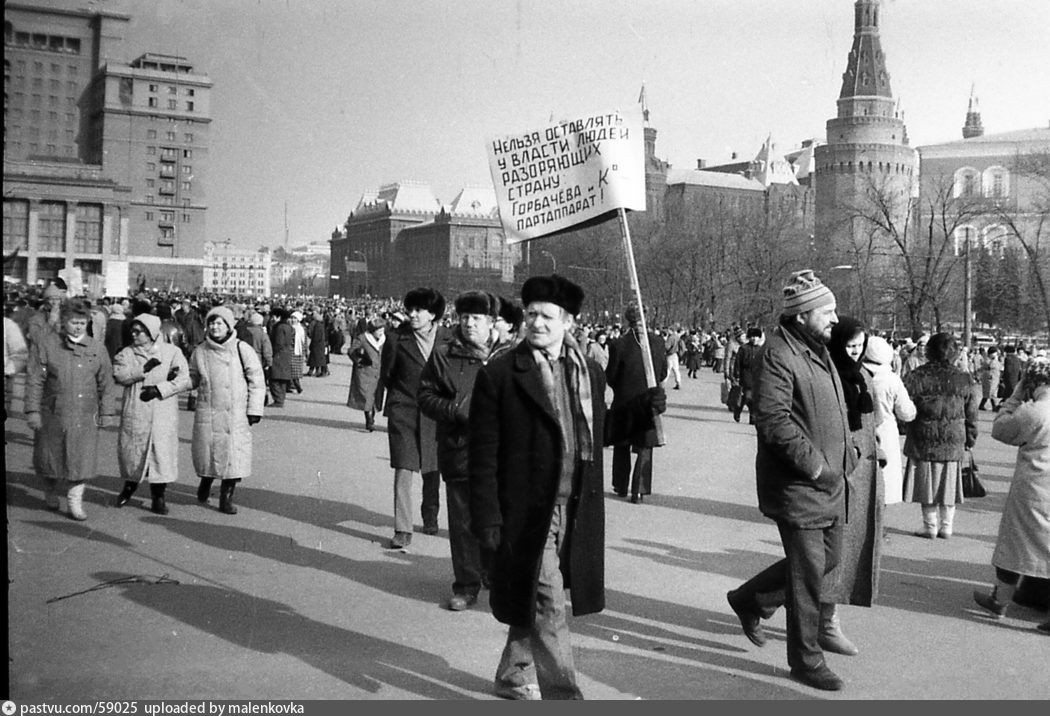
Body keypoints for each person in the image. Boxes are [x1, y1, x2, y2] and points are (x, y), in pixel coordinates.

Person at [468, 274, 666, 699]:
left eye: (547, 316)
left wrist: (639, 411)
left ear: (570, 322)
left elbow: (601, 431)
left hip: (574, 509)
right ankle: (564, 694)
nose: (536, 323)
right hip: (525, 513)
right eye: (531, 314)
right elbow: (482, 454)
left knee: (536, 594)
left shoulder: (588, 371)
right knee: (549, 601)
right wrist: (486, 519)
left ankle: (512, 674)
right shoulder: (501, 374)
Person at [725, 269, 857, 692]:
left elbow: (834, 408)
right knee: (807, 576)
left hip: (831, 482)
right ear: (801, 316)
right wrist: (816, 465)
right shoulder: (779, 354)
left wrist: (847, 452)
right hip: (800, 485)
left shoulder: (818, 349)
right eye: (827, 311)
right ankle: (805, 660)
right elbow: (773, 420)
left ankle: (750, 600)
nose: (835, 319)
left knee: (829, 560)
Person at [418, 291, 510, 612]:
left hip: (502, 455)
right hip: (460, 450)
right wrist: (454, 409)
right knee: (462, 521)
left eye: (477, 318)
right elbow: (425, 396)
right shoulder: (445, 353)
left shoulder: (509, 355)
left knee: (498, 517)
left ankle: (493, 574)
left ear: (491, 323)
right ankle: (466, 585)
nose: (469, 324)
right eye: (465, 317)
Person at [972, 357, 1050, 629]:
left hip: (1033, 489)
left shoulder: (1035, 411)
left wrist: (1015, 396)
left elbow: (1000, 429)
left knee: (1014, 546)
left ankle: (1000, 601)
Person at [823, 317, 885, 654]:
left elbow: (871, 421)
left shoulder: (863, 376)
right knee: (835, 553)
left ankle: (763, 601)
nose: (855, 352)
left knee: (845, 551)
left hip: (865, 473)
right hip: (842, 475)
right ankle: (825, 621)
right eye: (850, 346)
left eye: (860, 347)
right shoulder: (828, 375)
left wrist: (877, 445)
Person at [24, 298, 116, 521]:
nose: (78, 326)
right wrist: (33, 411)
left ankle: (75, 501)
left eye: (82, 323)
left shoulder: (96, 348)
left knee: (81, 459)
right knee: (50, 457)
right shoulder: (47, 345)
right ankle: (50, 492)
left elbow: (107, 383)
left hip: (85, 414)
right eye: (73, 322)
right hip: (53, 412)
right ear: (63, 322)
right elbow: (35, 379)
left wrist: (107, 412)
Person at [379, 287, 451, 549]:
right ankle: (402, 529)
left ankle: (430, 515)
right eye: (410, 309)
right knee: (404, 468)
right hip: (404, 412)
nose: (412, 314)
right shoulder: (397, 338)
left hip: (436, 413)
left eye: (419, 310)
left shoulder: (448, 339)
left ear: (433, 314)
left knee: (432, 468)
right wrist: (399, 397)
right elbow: (387, 373)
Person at [189, 306, 266, 515]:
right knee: (209, 453)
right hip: (209, 410)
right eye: (211, 323)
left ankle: (226, 498)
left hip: (236, 413)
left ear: (229, 325)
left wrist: (255, 409)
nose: (215, 327)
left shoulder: (242, 349)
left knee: (233, 457)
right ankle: (206, 481)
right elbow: (192, 377)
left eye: (219, 323)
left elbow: (257, 381)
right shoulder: (200, 351)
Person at [112, 314, 192, 514]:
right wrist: (142, 369)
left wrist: (160, 390)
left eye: (139, 331)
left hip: (162, 411)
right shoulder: (127, 353)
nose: (134, 334)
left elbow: (184, 379)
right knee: (133, 453)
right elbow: (120, 375)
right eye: (133, 330)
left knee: (161, 455)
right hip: (136, 409)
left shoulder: (171, 351)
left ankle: (159, 497)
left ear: (151, 332)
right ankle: (128, 489)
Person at [901, 333, 978, 539]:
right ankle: (947, 526)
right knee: (949, 484)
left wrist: (904, 427)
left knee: (926, 484)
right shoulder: (964, 378)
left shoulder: (916, 376)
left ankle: (930, 526)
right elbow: (972, 413)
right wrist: (970, 438)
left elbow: (904, 407)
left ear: (929, 351)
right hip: (953, 439)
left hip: (923, 437)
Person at [605, 303, 667, 503]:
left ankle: (621, 485)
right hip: (647, 402)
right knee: (644, 448)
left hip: (624, 402)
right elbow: (663, 372)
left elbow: (611, 376)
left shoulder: (619, 344)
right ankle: (639, 490)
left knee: (622, 446)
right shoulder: (657, 342)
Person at [863, 335, 916, 513]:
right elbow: (906, 412)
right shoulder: (892, 379)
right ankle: (879, 520)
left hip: (861, 429)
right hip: (885, 429)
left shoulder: (858, 374)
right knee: (884, 476)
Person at [346, 316, 386, 431]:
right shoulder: (363, 338)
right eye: (379, 330)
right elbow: (351, 351)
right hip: (364, 372)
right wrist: (360, 359)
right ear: (373, 330)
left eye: (382, 330)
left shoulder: (384, 340)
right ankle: (369, 420)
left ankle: (371, 416)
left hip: (378, 373)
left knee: (375, 397)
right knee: (367, 397)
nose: (381, 333)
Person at [731, 327, 764, 423]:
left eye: (756, 336)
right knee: (747, 397)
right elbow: (738, 363)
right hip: (746, 375)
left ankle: (752, 416)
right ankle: (738, 410)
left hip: (757, 377)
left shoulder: (761, 350)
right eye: (752, 336)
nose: (754, 338)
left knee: (755, 398)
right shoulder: (744, 348)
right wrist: (736, 375)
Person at [244, 311, 273, 406]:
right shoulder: (262, 334)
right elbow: (267, 349)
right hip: (258, 358)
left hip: (245, 357)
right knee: (259, 381)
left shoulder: (245, 331)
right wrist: (269, 362)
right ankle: (262, 399)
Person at [268, 308, 294, 407]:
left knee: (274, 378)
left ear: (279, 317)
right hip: (286, 354)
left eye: (273, 316)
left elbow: (278, 343)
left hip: (278, 355)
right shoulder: (288, 327)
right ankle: (281, 399)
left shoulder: (279, 328)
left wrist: (272, 353)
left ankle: (278, 400)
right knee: (282, 379)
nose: (272, 319)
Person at [978, 346, 1003, 411]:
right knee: (991, 392)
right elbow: (991, 366)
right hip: (990, 378)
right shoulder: (988, 360)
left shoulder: (992, 360)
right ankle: (994, 406)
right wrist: (995, 360)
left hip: (993, 378)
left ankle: (982, 405)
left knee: (989, 392)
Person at [288, 310, 307, 394]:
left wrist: (305, 351)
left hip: (297, 351)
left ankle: (298, 387)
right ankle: (292, 386)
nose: (292, 320)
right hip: (292, 351)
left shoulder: (300, 329)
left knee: (295, 370)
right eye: (292, 318)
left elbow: (304, 341)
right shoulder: (290, 327)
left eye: (294, 318)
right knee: (292, 370)